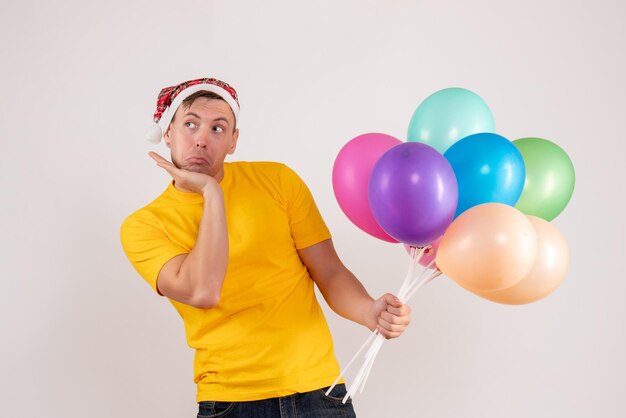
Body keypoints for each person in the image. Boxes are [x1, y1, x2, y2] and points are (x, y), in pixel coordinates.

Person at [120, 77, 411, 418]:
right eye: (190, 124)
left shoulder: (277, 181)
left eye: (218, 128)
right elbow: (203, 291)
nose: (201, 139)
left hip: (320, 393)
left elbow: (329, 272)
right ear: (167, 132)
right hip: (231, 402)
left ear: (233, 141)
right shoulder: (144, 226)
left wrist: (368, 311)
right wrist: (211, 194)